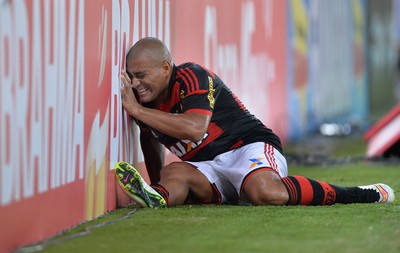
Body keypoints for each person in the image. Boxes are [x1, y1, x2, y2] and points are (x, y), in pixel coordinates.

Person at [115, 37, 395, 208]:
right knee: (174, 176)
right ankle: (155, 196)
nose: (136, 84)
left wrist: (136, 111)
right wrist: (154, 180)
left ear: (166, 68)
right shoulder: (145, 102)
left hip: (247, 147)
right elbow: (150, 136)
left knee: (265, 192)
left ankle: (358, 194)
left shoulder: (191, 76)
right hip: (205, 166)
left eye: (142, 75)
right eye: (132, 77)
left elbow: (194, 128)